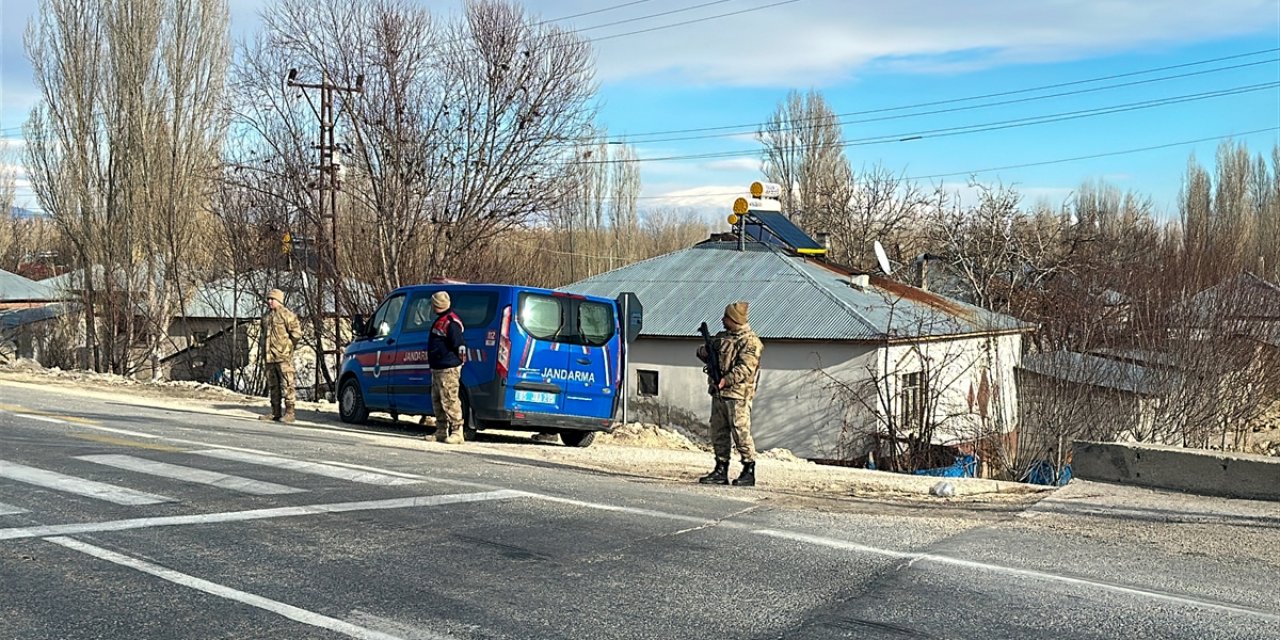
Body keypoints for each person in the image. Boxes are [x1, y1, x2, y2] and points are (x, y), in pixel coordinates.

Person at [696, 301, 764, 486]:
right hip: (719, 393)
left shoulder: (750, 342)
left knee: (741, 432)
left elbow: (745, 368)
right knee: (718, 431)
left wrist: (726, 380)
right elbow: (708, 352)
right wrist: (704, 352)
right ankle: (720, 469)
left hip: (737, 395)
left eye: (726, 317)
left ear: (735, 319)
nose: (722, 320)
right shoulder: (723, 337)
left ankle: (748, 469)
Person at [427, 291, 467, 444]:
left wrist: (457, 364)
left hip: (448, 367)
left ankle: (457, 431)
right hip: (438, 367)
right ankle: (441, 430)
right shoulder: (441, 320)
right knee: (438, 400)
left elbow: (459, 345)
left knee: (450, 399)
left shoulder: (451, 322)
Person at [259, 288, 303, 423]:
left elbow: (296, 334)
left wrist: (288, 347)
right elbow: (263, 335)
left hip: (283, 357)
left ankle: (290, 413)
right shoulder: (266, 317)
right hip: (270, 357)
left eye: (272, 299)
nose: (269, 302)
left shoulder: (287, 315)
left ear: (279, 300)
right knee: (273, 385)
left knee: (287, 385)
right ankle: (275, 412)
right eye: (268, 299)